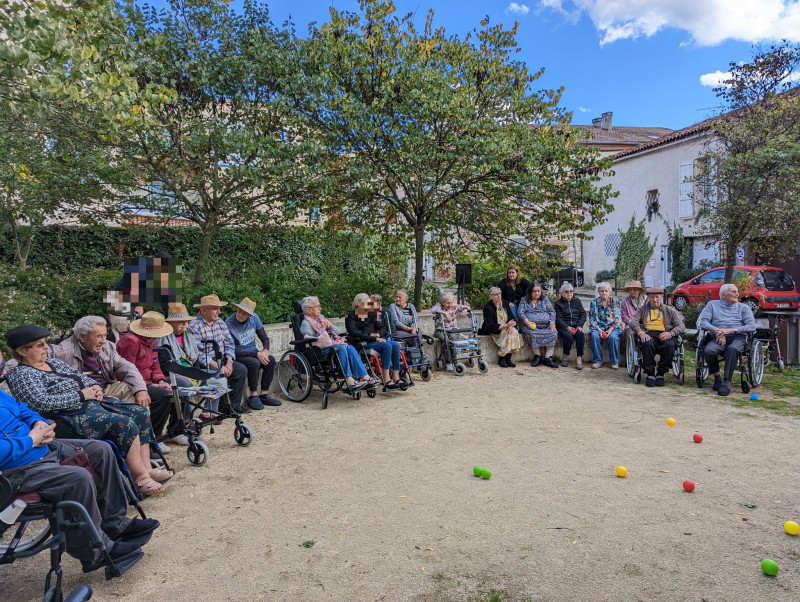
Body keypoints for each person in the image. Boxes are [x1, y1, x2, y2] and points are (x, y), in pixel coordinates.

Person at [0, 373, 160, 575]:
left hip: (41, 448)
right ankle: (95, 552)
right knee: (78, 478)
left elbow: (21, 409)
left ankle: (115, 524)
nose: (3, 370)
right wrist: (31, 440)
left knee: (101, 450)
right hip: (13, 470)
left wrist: (37, 422)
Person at [4, 325, 166, 495]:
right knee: (123, 422)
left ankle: (147, 468)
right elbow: (40, 403)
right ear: (22, 351)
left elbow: (82, 378)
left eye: (45, 343)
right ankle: (139, 477)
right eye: (39, 345)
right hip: (66, 417)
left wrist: (94, 387)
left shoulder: (54, 363)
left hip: (90, 405)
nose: (46, 348)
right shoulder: (23, 375)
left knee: (138, 412)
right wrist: (81, 396)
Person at [46, 315, 172, 454]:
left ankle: (143, 445)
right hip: (85, 396)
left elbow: (127, 367)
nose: (103, 341)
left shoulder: (108, 347)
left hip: (107, 388)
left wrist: (141, 389)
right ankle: (127, 448)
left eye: (105, 335)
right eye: (99, 336)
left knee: (136, 395)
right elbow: (29, 357)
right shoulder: (63, 351)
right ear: (82, 337)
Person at [115, 312, 177, 441]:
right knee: (163, 395)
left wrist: (160, 380)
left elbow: (155, 364)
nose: (155, 338)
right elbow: (126, 372)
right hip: (130, 383)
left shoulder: (152, 341)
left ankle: (175, 430)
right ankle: (154, 437)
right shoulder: (130, 341)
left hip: (148, 379)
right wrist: (151, 385)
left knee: (177, 387)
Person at [188, 294, 249, 414]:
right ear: (204, 310)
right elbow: (198, 353)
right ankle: (210, 412)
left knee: (241, 370)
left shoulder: (219, 322)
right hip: (206, 362)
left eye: (219, 309)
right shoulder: (194, 325)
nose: (219, 312)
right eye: (215, 309)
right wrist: (219, 366)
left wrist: (229, 362)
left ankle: (233, 405)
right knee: (218, 374)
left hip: (221, 358)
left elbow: (229, 343)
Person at [299, 296, 376, 390]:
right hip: (318, 350)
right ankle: (349, 379)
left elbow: (338, 331)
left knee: (350, 347)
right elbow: (314, 340)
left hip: (330, 345)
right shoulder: (305, 323)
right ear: (308, 310)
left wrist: (329, 325)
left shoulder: (321, 318)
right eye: (317, 306)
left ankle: (364, 376)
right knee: (341, 348)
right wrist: (323, 329)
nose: (320, 308)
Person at [697, 283, 757, 396]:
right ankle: (717, 377)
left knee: (732, 348)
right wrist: (717, 331)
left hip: (738, 336)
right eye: (733, 291)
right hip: (718, 336)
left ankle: (726, 382)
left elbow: (751, 326)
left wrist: (731, 330)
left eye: (737, 291)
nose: (737, 294)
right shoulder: (712, 305)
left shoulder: (744, 308)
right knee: (709, 350)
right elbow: (703, 322)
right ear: (723, 295)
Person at [225, 297, 282, 410]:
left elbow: (264, 338)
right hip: (238, 355)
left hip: (253, 352)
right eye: (239, 310)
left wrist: (266, 350)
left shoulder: (254, 319)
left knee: (270, 360)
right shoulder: (229, 323)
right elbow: (233, 350)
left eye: (244, 313)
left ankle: (264, 394)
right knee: (254, 362)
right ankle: (253, 394)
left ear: (250, 315)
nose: (240, 314)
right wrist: (256, 354)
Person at [629, 287, 686, 387]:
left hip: (666, 333)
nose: (655, 300)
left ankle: (660, 373)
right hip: (649, 333)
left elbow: (681, 325)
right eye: (652, 297)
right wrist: (641, 333)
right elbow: (633, 322)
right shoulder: (642, 309)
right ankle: (650, 374)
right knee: (647, 344)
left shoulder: (670, 310)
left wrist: (671, 333)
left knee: (669, 345)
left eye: (657, 297)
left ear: (661, 297)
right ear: (648, 298)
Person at [346, 294, 405, 389]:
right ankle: (386, 379)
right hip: (363, 343)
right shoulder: (352, 316)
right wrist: (373, 337)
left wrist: (377, 335)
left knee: (395, 345)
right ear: (359, 304)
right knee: (387, 346)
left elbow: (383, 328)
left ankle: (396, 377)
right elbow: (355, 333)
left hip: (374, 340)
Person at [517, 283, 558, 368]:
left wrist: (552, 322)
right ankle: (537, 356)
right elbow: (520, 312)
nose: (536, 293)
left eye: (538, 291)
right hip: (529, 325)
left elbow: (552, 311)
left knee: (553, 333)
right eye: (534, 291)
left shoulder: (545, 300)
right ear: (530, 292)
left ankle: (548, 358)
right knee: (534, 334)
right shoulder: (524, 300)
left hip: (546, 325)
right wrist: (528, 323)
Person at [479, 287, 522, 368]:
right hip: (495, 330)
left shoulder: (505, 303)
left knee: (513, 331)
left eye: (499, 294)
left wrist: (512, 324)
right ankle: (502, 357)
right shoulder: (488, 308)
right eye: (495, 294)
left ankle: (508, 357)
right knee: (507, 333)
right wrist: (505, 326)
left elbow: (512, 318)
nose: (498, 296)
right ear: (490, 296)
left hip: (507, 327)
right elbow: (490, 325)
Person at [430, 292, 470, 371]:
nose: (450, 304)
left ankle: (454, 361)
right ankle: (449, 362)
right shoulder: (439, 306)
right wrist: (444, 313)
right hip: (440, 330)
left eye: (451, 302)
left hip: (452, 330)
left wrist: (465, 310)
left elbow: (468, 307)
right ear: (442, 303)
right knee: (446, 340)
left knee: (453, 340)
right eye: (448, 303)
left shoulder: (454, 307)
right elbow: (433, 310)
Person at [589, 282, 623, 369]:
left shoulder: (615, 302)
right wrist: (599, 329)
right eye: (601, 291)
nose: (604, 293)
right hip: (598, 327)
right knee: (594, 336)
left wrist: (611, 329)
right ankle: (598, 361)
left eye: (606, 291)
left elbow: (618, 318)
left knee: (613, 337)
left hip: (613, 327)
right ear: (599, 292)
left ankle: (614, 362)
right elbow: (592, 318)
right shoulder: (594, 303)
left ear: (609, 292)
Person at [554, 282, 587, 369]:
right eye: (566, 291)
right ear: (562, 293)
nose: (569, 293)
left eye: (571, 291)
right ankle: (565, 357)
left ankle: (579, 358)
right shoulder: (558, 303)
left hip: (576, 325)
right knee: (568, 337)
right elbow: (558, 318)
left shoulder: (577, 301)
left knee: (580, 334)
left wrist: (579, 325)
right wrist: (567, 327)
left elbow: (583, 314)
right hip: (563, 327)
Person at [619, 280, 646, 350]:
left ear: (639, 291)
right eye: (630, 290)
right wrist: (631, 322)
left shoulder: (647, 301)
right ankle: (631, 355)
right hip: (630, 325)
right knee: (629, 333)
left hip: (645, 324)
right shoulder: (624, 302)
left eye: (634, 290)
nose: (632, 291)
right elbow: (624, 316)